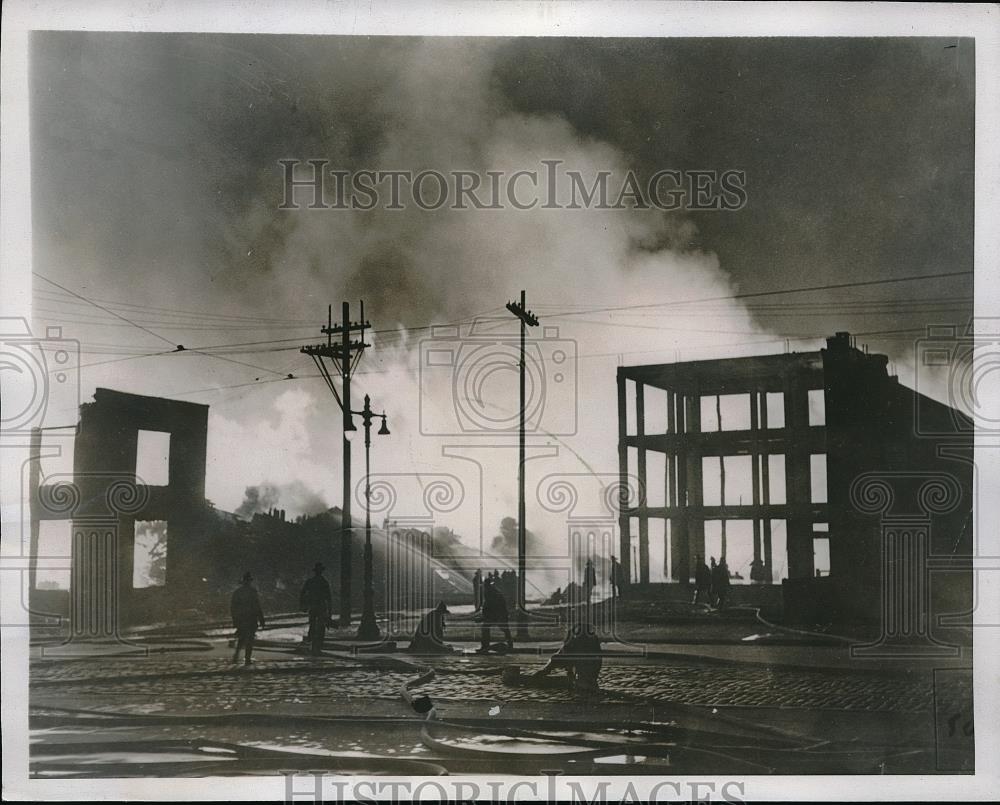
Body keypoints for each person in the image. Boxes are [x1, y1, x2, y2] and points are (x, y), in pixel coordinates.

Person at [532, 622, 602, 694]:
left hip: (584, 675)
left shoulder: (578, 641)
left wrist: (546, 669)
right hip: (589, 674)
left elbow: (562, 654)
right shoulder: (592, 639)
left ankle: (544, 672)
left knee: (559, 658)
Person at [231, 571, 265, 666]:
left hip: (242, 619)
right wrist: (261, 619)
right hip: (250, 619)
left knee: (242, 639)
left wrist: (235, 620)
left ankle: (236, 656)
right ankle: (247, 659)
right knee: (249, 640)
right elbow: (257, 606)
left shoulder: (237, 592)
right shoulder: (252, 592)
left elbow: (233, 608)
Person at [300, 562, 332, 656]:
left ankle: (312, 644)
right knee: (321, 626)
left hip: (313, 606)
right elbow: (329, 598)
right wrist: (330, 613)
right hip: (321, 606)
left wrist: (303, 605)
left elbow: (302, 593)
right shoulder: (324, 582)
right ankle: (318, 646)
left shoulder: (310, 581)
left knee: (312, 625)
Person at [477, 577, 513, 653]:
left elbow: (490, 606)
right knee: (504, 629)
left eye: (485, 585)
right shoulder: (492, 591)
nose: (484, 587)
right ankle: (510, 645)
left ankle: (485, 646)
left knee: (489, 627)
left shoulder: (491, 592)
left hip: (499, 614)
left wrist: (483, 617)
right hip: (499, 614)